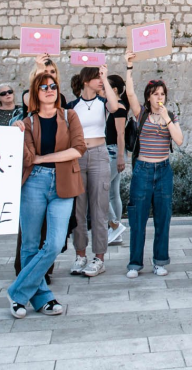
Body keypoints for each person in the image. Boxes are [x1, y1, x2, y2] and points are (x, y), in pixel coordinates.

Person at [8, 71, 86, 319]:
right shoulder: (27, 122)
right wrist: (14, 129)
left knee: (53, 244)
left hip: (64, 182)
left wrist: (45, 158)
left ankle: (17, 293)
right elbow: (29, 157)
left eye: (53, 86)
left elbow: (78, 149)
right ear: (35, 93)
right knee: (30, 244)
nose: (50, 90)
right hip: (34, 182)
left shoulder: (70, 115)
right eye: (43, 87)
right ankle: (42, 297)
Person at [123, 54, 184, 278]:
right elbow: (129, 92)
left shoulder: (171, 116)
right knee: (138, 218)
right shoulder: (141, 114)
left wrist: (167, 117)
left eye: (162, 94)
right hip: (143, 171)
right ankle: (135, 264)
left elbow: (179, 140)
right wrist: (129, 66)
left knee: (163, 218)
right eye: (155, 94)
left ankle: (160, 261)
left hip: (164, 170)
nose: (159, 97)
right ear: (148, 97)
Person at [65, 66, 123, 278]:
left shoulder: (103, 104)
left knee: (99, 208)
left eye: (101, 77)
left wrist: (106, 79)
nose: (100, 80)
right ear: (85, 80)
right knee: (78, 209)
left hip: (99, 154)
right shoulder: (72, 107)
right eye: (96, 77)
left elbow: (115, 106)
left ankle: (99, 258)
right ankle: (80, 255)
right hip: (78, 154)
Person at [105, 74, 128, 245]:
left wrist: (120, 156)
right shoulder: (114, 106)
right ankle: (116, 232)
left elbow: (120, 134)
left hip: (113, 152)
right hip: (112, 151)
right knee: (113, 192)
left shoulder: (119, 107)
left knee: (99, 189)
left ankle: (115, 226)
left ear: (114, 90)